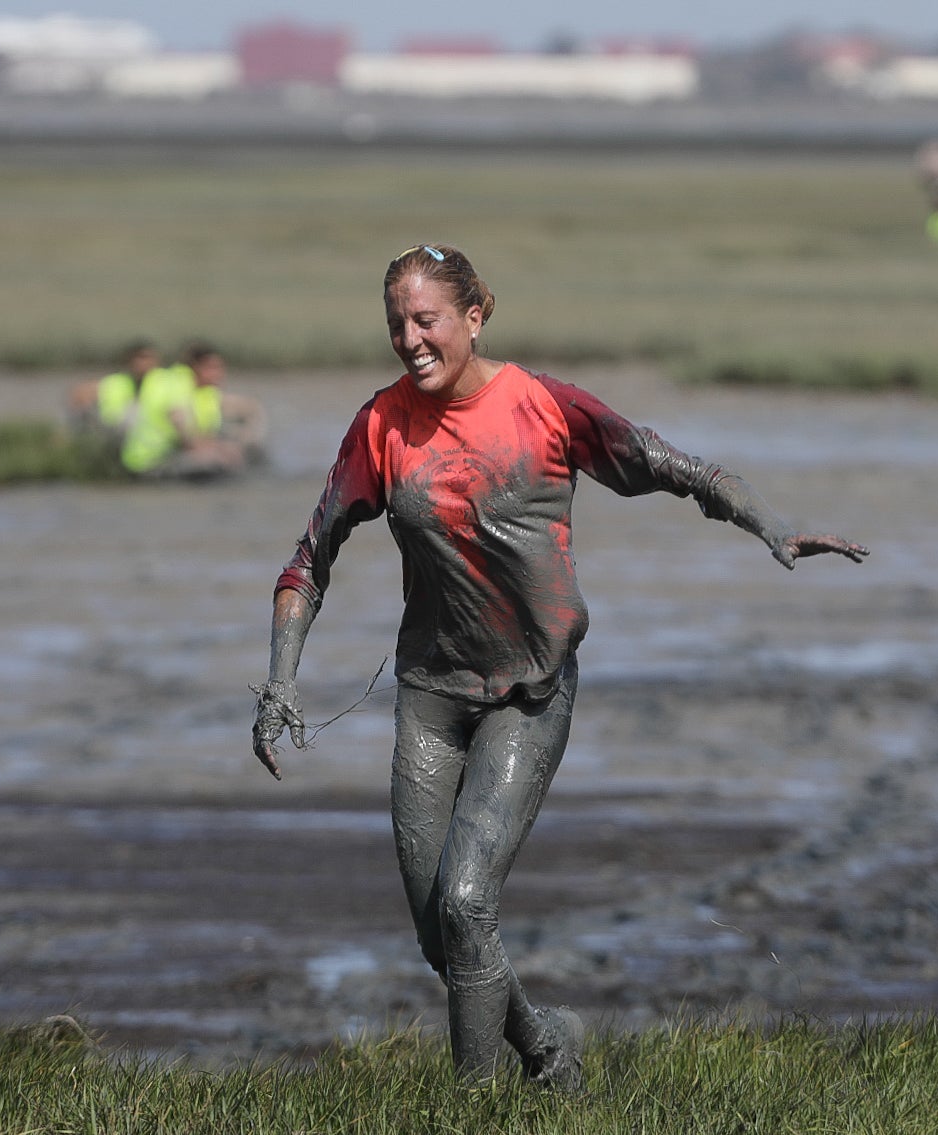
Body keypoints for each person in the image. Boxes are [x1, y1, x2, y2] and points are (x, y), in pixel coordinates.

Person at [249, 243, 867, 1089]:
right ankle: (546, 1045)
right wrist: (281, 683)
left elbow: (668, 464)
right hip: (429, 696)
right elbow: (306, 563)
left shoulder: (543, 406)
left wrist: (768, 523)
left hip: (529, 693)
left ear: (474, 315)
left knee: (468, 904)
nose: (409, 339)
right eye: (396, 323)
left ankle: (472, 1103)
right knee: (441, 934)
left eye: (425, 320)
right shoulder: (379, 426)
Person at [122, 340, 266, 479]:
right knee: (214, 462)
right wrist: (220, 449)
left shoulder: (204, 392)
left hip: (173, 454)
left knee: (239, 457)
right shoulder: (176, 384)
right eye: (213, 368)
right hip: (150, 463)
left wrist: (244, 442)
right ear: (197, 367)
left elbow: (249, 407)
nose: (220, 374)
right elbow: (183, 433)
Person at [68, 338, 158, 444]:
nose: (142, 363)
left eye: (146, 358)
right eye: (138, 358)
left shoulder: (165, 382)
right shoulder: (117, 382)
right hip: (117, 436)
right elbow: (81, 393)